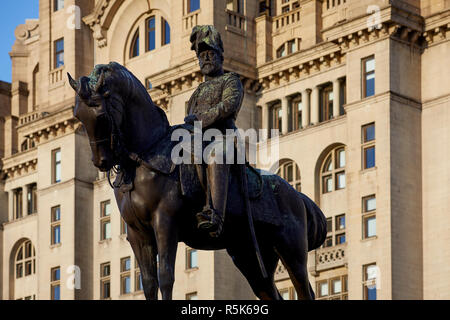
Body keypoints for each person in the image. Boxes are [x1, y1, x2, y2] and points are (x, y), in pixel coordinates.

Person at [185, 25, 244, 237]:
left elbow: (228, 106)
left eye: (211, 54)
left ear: (220, 57)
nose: (206, 59)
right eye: (202, 55)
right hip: (196, 140)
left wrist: (200, 119)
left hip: (223, 140)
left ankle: (216, 215)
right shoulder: (197, 92)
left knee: (214, 155)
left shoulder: (231, 80)